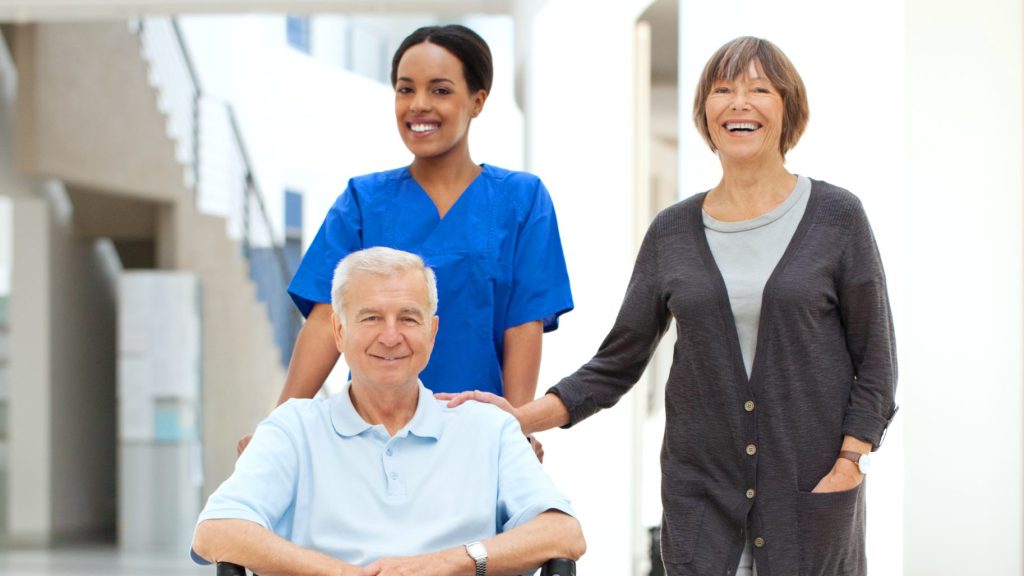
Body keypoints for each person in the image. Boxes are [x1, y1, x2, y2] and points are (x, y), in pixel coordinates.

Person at [442, 37, 898, 576]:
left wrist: (850, 462)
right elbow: (615, 365)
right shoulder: (673, 232)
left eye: (759, 89)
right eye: (722, 90)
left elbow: (877, 363)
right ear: (705, 111)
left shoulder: (838, 217)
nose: (739, 103)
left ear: (788, 106)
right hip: (702, 502)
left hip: (808, 495)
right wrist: (519, 418)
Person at [235, 25, 573, 457]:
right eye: (405, 89)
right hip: (370, 437)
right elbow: (325, 320)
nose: (419, 105)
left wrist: (516, 428)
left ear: (477, 100)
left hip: (473, 436)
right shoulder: (363, 201)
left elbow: (522, 325)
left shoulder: (522, 200)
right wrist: (278, 428)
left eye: (440, 90)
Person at [193, 247, 585, 575]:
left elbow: (564, 534)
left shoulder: (488, 428)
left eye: (408, 318)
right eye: (371, 318)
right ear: (339, 331)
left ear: (431, 333)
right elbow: (217, 530)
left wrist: (445, 564)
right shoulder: (293, 428)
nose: (391, 336)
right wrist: (343, 574)